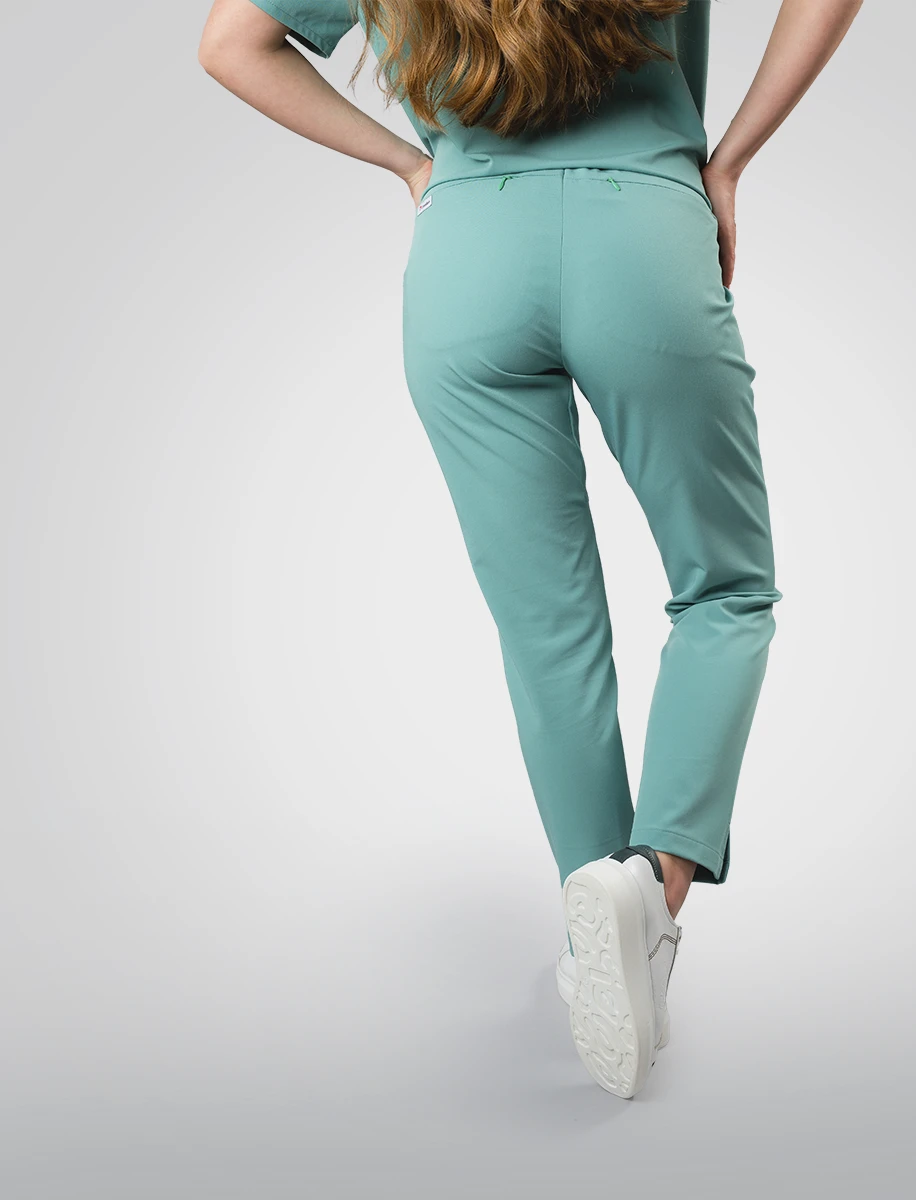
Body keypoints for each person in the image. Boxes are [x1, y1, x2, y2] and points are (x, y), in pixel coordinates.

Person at [198, 0, 864, 1099]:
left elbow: (231, 44)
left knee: (549, 634)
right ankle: (650, 888)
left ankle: (599, 939)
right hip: (644, 230)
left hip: (465, 253)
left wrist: (412, 165)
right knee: (726, 588)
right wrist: (731, 160)